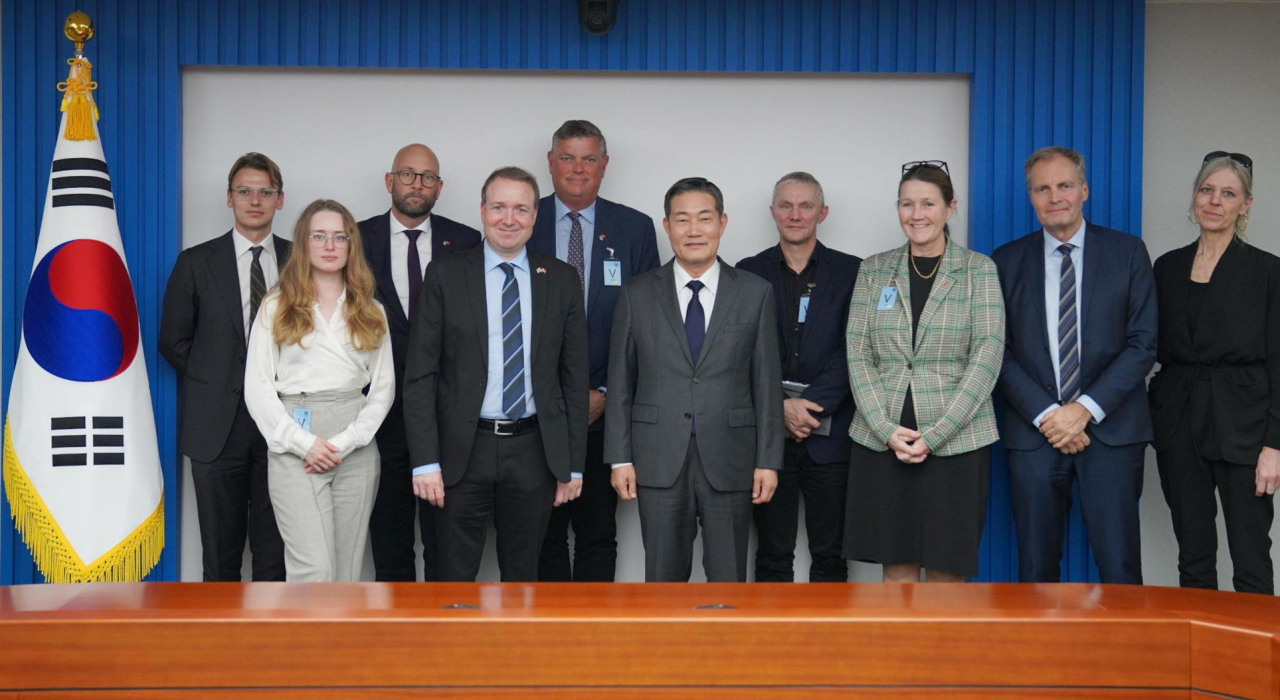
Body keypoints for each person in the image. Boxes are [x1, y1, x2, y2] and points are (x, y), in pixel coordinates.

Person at [403, 167, 588, 582]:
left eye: (521, 208)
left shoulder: (560, 279)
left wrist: (572, 465)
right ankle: (453, 649)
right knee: (452, 576)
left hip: (534, 452)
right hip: (460, 452)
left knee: (525, 578)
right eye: (499, 207)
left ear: (536, 215)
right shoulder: (446, 275)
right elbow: (420, 376)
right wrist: (425, 462)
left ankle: (516, 650)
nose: (509, 219)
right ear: (482, 210)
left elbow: (573, 380)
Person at [605, 177, 783, 583]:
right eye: (682, 219)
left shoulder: (754, 293)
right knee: (663, 580)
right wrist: (620, 457)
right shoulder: (637, 294)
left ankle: (725, 649)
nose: (694, 230)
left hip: (732, 457)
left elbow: (767, 385)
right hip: (657, 456)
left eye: (704, 218)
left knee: (728, 578)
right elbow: (620, 383)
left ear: (722, 223)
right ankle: (665, 650)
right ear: (666, 227)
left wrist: (768, 461)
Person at [993, 146, 1156, 585]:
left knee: (1120, 566)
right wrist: (1050, 416)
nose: (1054, 196)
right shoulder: (1004, 262)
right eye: (1042, 188)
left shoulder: (1127, 252)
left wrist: (1082, 410)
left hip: (1112, 432)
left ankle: (1124, 655)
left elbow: (1143, 345)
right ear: (1031, 198)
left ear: (1084, 190)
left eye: (1064, 185)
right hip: (1035, 434)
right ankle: (1040, 656)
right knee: (1035, 568)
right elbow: (996, 351)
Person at [843, 161, 1004, 583]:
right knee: (895, 570)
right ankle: (897, 652)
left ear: (951, 207)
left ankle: (942, 652)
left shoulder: (978, 270)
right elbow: (858, 354)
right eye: (907, 204)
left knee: (948, 572)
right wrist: (884, 428)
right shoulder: (874, 270)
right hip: (885, 438)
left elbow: (987, 355)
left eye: (928, 203)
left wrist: (935, 434)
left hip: (956, 440)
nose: (917, 214)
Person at [532, 120, 661, 582]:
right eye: (567, 157)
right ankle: (548, 645)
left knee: (597, 533)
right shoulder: (522, 220)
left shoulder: (634, 228)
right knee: (542, 533)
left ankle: (593, 645)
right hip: (537, 411)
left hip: (606, 411)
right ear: (550, 163)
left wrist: (605, 390)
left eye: (589, 158)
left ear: (605, 165)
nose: (578, 168)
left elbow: (649, 325)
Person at [1150, 151, 1280, 594]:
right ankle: (1200, 660)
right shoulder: (1166, 267)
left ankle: (1258, 662)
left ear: (1246, 205)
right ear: (1194, 197)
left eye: (1228, 193)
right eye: (1206, 190)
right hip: (1179, 421)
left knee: (1250, 556)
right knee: (1194, 555)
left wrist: (1274, 446)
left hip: (1245, 427)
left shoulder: (1268, 271)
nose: (1214, 201)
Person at [244, 199, 393, 582]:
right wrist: (302, 443)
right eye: (319, 236)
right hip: (295, 436)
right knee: (314, 570)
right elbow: (258, 388)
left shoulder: (371, 309)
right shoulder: (276, 306)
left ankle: (343, 644)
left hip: (355, 441)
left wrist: (346, 441)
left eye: (339, 236)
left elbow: (383, 389)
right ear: (304, 243)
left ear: (351, 245)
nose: (330, 245)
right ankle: (303, 645)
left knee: (344, 575)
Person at [159, 152, 289, 582]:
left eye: (265, 192)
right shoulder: (196, 262)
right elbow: (173, 341)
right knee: (220, 557)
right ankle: (220, 649)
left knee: (277, 555)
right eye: (245, 191)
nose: (255, 200)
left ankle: (273, 647)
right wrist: (221, 380)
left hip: (283, 423)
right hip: (217, 427)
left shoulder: (300, 262)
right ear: (229, 198)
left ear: (280, 200)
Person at [359, 143, 481, 582]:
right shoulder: (356, 238)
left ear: (440, 187)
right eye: (408, 175)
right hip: (377, 413)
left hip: (444, 412)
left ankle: (443, 639)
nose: (417, 185)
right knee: (388, 539)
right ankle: (396, 641)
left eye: (428, 177)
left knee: (445, 543)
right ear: (389, 181)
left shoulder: (465, 241)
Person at [736, 171, 861, 582]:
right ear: (772, 212)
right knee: (772, 554)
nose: (795, 214)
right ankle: (772, 647)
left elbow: (857, 348)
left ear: (822, 212)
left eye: (805, 205)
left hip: (832, 438)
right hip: (767, 439)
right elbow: (738, 353)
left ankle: (828, 647)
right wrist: (779, 406)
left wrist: (811, 407)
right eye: (786, 205)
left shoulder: (853, 272)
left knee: (831, 556)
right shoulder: (746, 272)